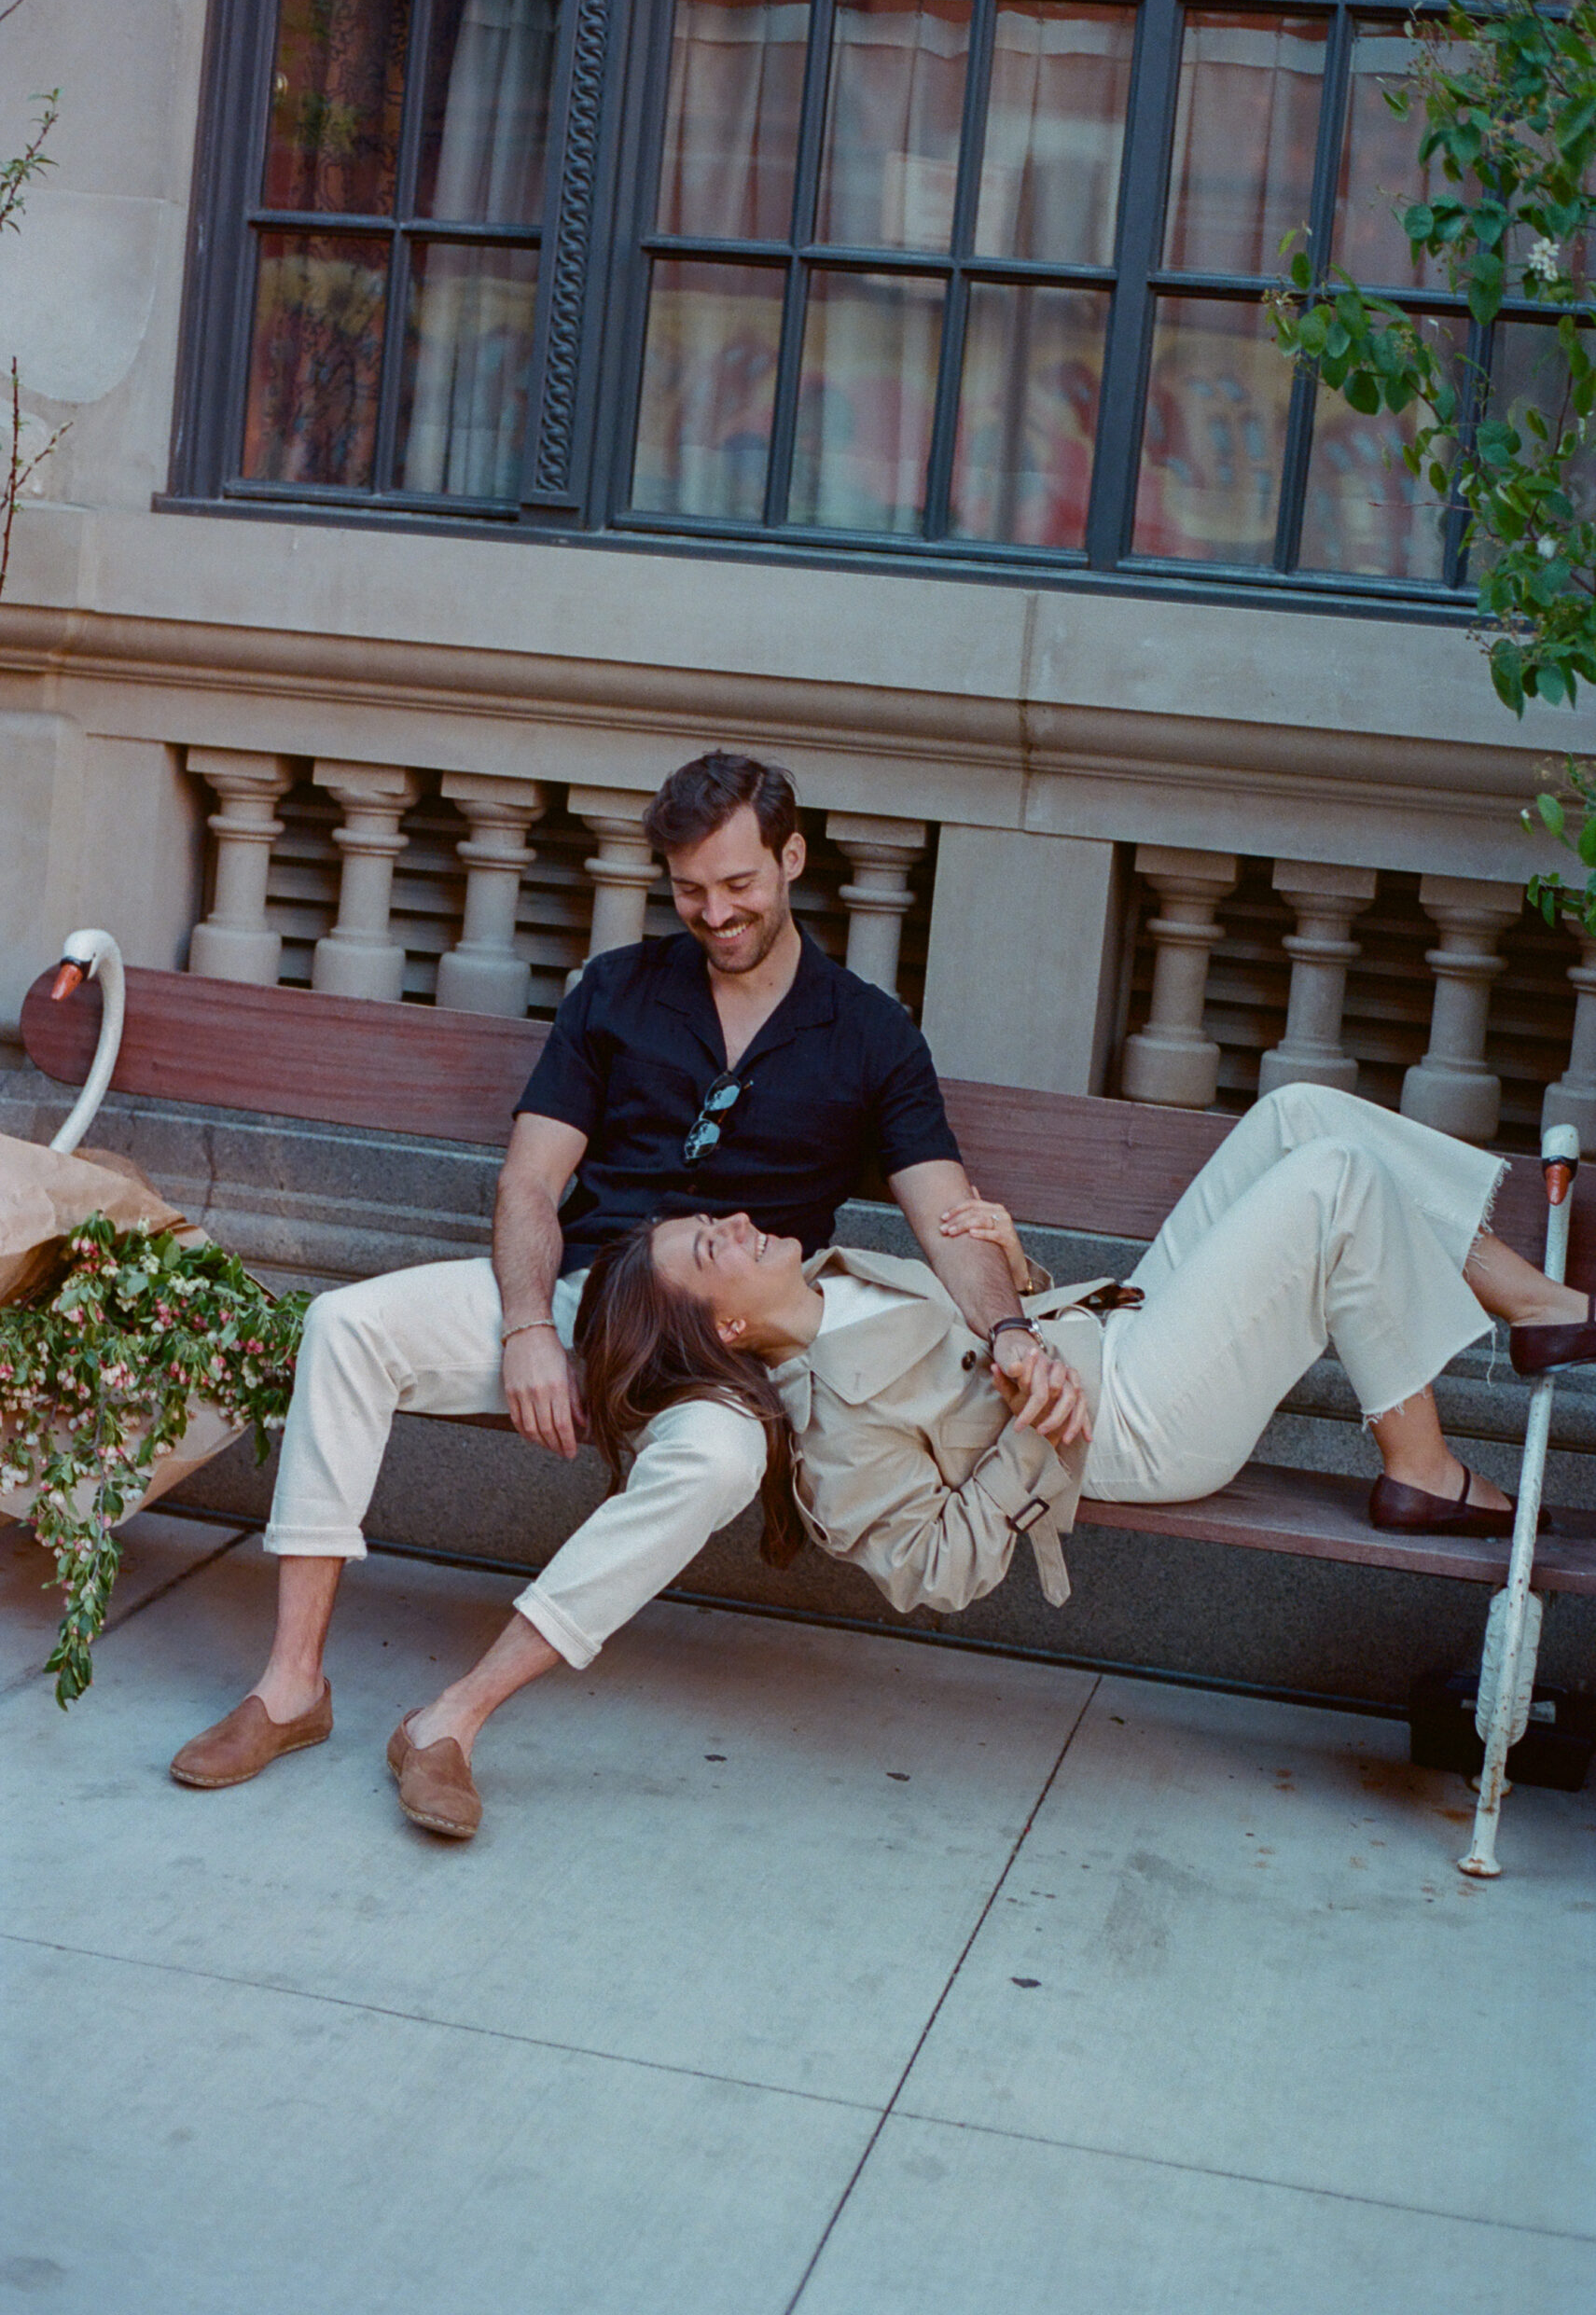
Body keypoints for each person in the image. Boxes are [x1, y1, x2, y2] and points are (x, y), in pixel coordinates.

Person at [169, 751, 1076, 1840]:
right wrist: (522, 1329)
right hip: (581, 1295)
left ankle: (451, 1719)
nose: (715, 911)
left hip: (731, 1348)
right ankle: (290, 1685)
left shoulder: (870, 1033)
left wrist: (1013, 1330)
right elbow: (530, 1181)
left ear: (792, 860)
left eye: (738, 884)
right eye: (690, 888)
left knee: (725, 1460)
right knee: (345, 1322)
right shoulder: (620, 989)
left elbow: (947, 1216)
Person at [572, 1085, 1595, 1623]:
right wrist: (1030, 1425)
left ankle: (1543, 1305)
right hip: (1132, 1426)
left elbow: (993, 1346)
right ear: (726, 1330)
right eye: (713, 1247)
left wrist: (1016, 1273)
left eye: (714, 1219)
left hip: (1119, 1332)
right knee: (1330, 1181)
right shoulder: (829, 1436)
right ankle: (1419, 1464)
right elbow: (935, 1569)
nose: (739, 1220)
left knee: (1300, 1116)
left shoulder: (842, 1271)